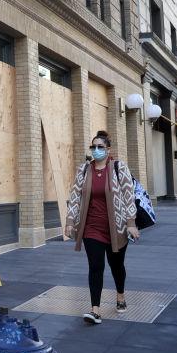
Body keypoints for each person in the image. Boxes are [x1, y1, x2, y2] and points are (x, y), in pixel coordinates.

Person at [63, 131, 139, 325]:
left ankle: (120, 296)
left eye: (100, 147)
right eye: (93, 147)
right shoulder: (83, 170)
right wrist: (70, 221)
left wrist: (131, 224)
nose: (96, 150)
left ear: (108, 149)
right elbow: (75, 197)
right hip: (91, 228)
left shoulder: (118, 168)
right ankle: (94, 310)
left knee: (116, 266)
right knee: (95, 267)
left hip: (116, 227)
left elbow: (128, 196)